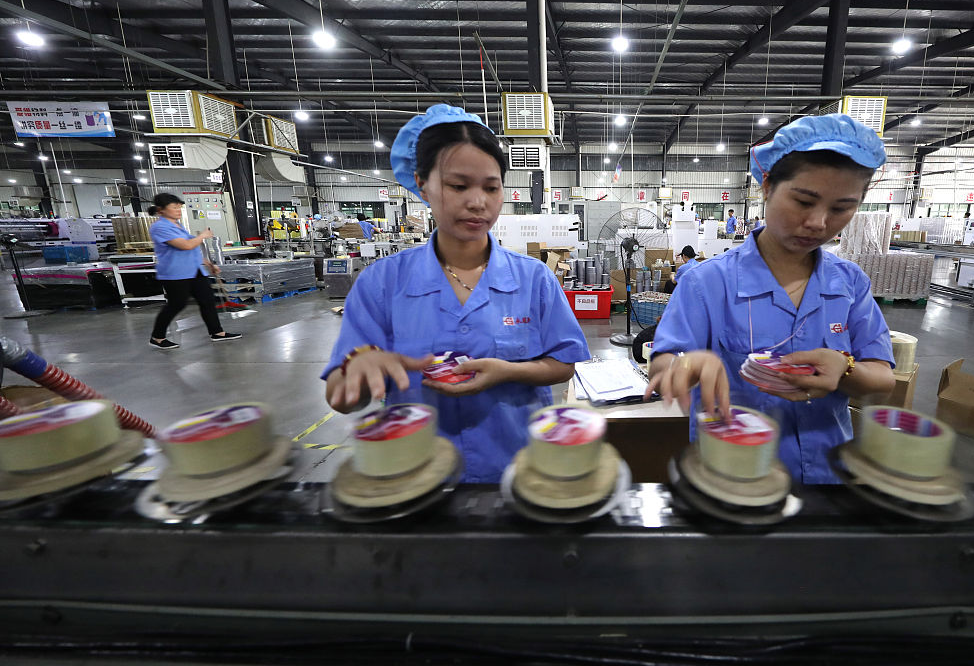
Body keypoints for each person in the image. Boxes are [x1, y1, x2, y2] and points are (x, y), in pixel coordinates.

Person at [322, 105, 591, 483]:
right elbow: (341, 397)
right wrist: (359, 371)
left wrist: (507, 372)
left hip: (519, 470)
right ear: (422, 184)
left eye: (491, 187)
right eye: (458, 185)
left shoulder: (534, 279)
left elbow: (564, 364)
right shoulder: (381, 284)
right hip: (416, 477)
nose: (478, 201)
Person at [647, 114, 896, 484]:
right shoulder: (707, 283)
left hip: (829, 478)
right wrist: (688, 364)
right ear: (767, 186)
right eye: (803, 201)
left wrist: (845, 370)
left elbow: (882, 376)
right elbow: (661, 367)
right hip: (734, 477)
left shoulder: (850, 284)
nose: (818, 222)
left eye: (841, 208)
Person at [147, 192, 241, 350]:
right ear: (161, 209)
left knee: (208, 300)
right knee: (177, 304)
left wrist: (207, 263)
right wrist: (203, 236)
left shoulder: (178, 225)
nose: (178, 210)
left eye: (179, 207)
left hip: (194, 270)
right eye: (174, 207)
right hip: (175, 273)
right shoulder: (160, 227)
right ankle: (157, 337)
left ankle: (217, 332)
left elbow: (189, 250)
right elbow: (186, 245)